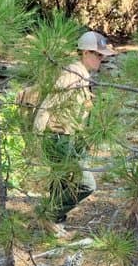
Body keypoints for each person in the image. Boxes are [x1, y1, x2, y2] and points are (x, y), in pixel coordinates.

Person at [34, 31, 115, 237]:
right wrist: (37, 137)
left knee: (61, 181)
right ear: (86, 52)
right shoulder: (72, 74)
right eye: (98, 55)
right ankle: (50, 215)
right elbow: (48, 104)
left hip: (70, 139)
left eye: (102, 56)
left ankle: (53, 224)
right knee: (86, 184)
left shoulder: (82, 75)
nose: (102, 59)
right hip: (58, 138)